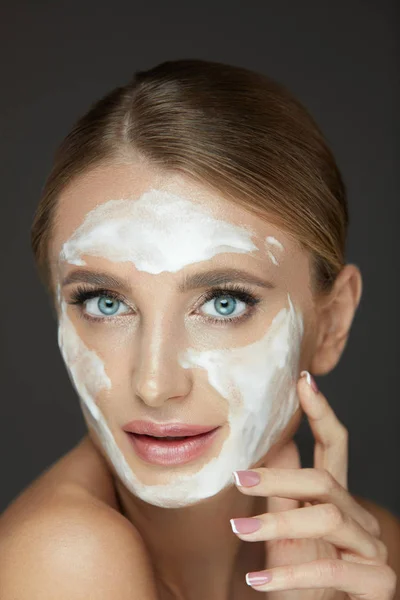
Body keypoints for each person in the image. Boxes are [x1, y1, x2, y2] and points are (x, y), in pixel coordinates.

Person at [0, 58, 398, 600]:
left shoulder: (367, 560)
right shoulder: (66, 558)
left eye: (225, 303)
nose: (154, 383)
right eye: (106, 303)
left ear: (331, 324)